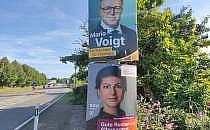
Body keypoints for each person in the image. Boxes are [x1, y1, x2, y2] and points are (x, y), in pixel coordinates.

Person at [86, 65, 126, 130]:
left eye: (118, 86)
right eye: (106, 87)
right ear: (98, 91)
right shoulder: (91, 125)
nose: (113, 92)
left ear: (124, 90)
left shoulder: (130, 120)